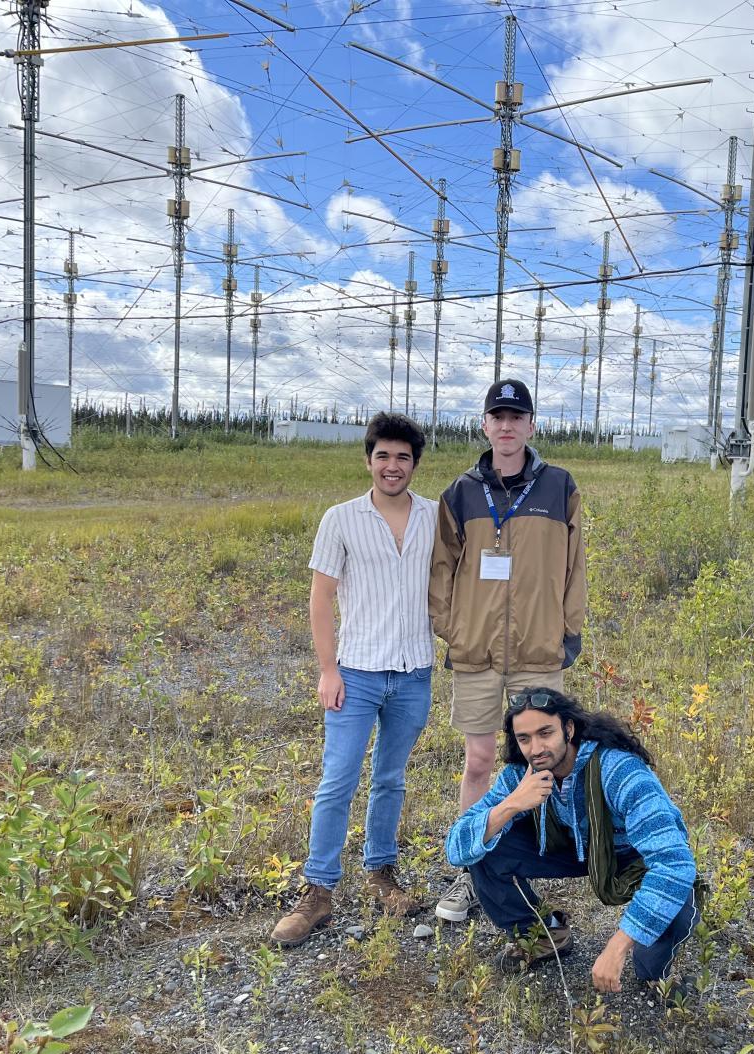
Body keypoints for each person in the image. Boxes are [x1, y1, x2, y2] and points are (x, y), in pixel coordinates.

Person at [271, 412, 436, 947]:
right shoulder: (340, 519)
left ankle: (381, 873)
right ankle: (318, 890)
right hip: (357, 673)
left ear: (415, 464)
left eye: (403, 457)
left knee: (391, 778)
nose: (393, 466)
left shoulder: (436, 517)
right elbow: (320, 598)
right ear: (368, 460)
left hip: (413, 673)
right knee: (338, 780)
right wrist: (327, 669)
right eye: (383, 456)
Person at [429, 378, 586, 923]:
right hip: (476, 652)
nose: (506, 426)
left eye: (516, 417)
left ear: (532, 426)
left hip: (537, 652)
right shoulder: (462, 493)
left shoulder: (559, 486)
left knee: (539, 761)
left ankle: (526, 861)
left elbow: (574, 567)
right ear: (484, 425)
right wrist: (453, 629)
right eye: (497, 416)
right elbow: (442, 567)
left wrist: (567, 630)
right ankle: (472, 872)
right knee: (478, 762)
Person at [444, 689, 699, 994]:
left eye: (545, 733)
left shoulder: (620, 771)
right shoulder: (520, 775)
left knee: (654, 953)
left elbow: (674, 863)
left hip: (632, 855)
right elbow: (456, 848)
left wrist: (618, 944)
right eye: (524, 738)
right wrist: (510, 805)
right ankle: (544, 937)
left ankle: (658, 971)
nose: (536, 748)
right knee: (485, 843)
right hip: (575, 849)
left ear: (569, 728)